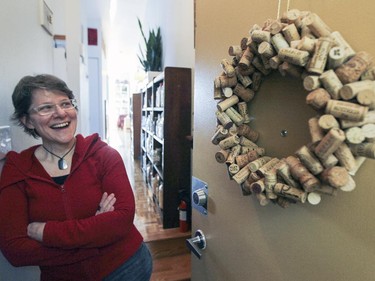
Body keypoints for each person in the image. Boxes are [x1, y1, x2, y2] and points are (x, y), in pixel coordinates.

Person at [0, 74, 153, 281]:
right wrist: (96, 236)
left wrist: (47, 232)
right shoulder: (18, 168)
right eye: (46, 108)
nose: (61, 113)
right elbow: (16, 250)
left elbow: (121, 220)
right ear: (26, 120)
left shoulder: (103, 155)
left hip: (127, 268)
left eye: (65, 103)